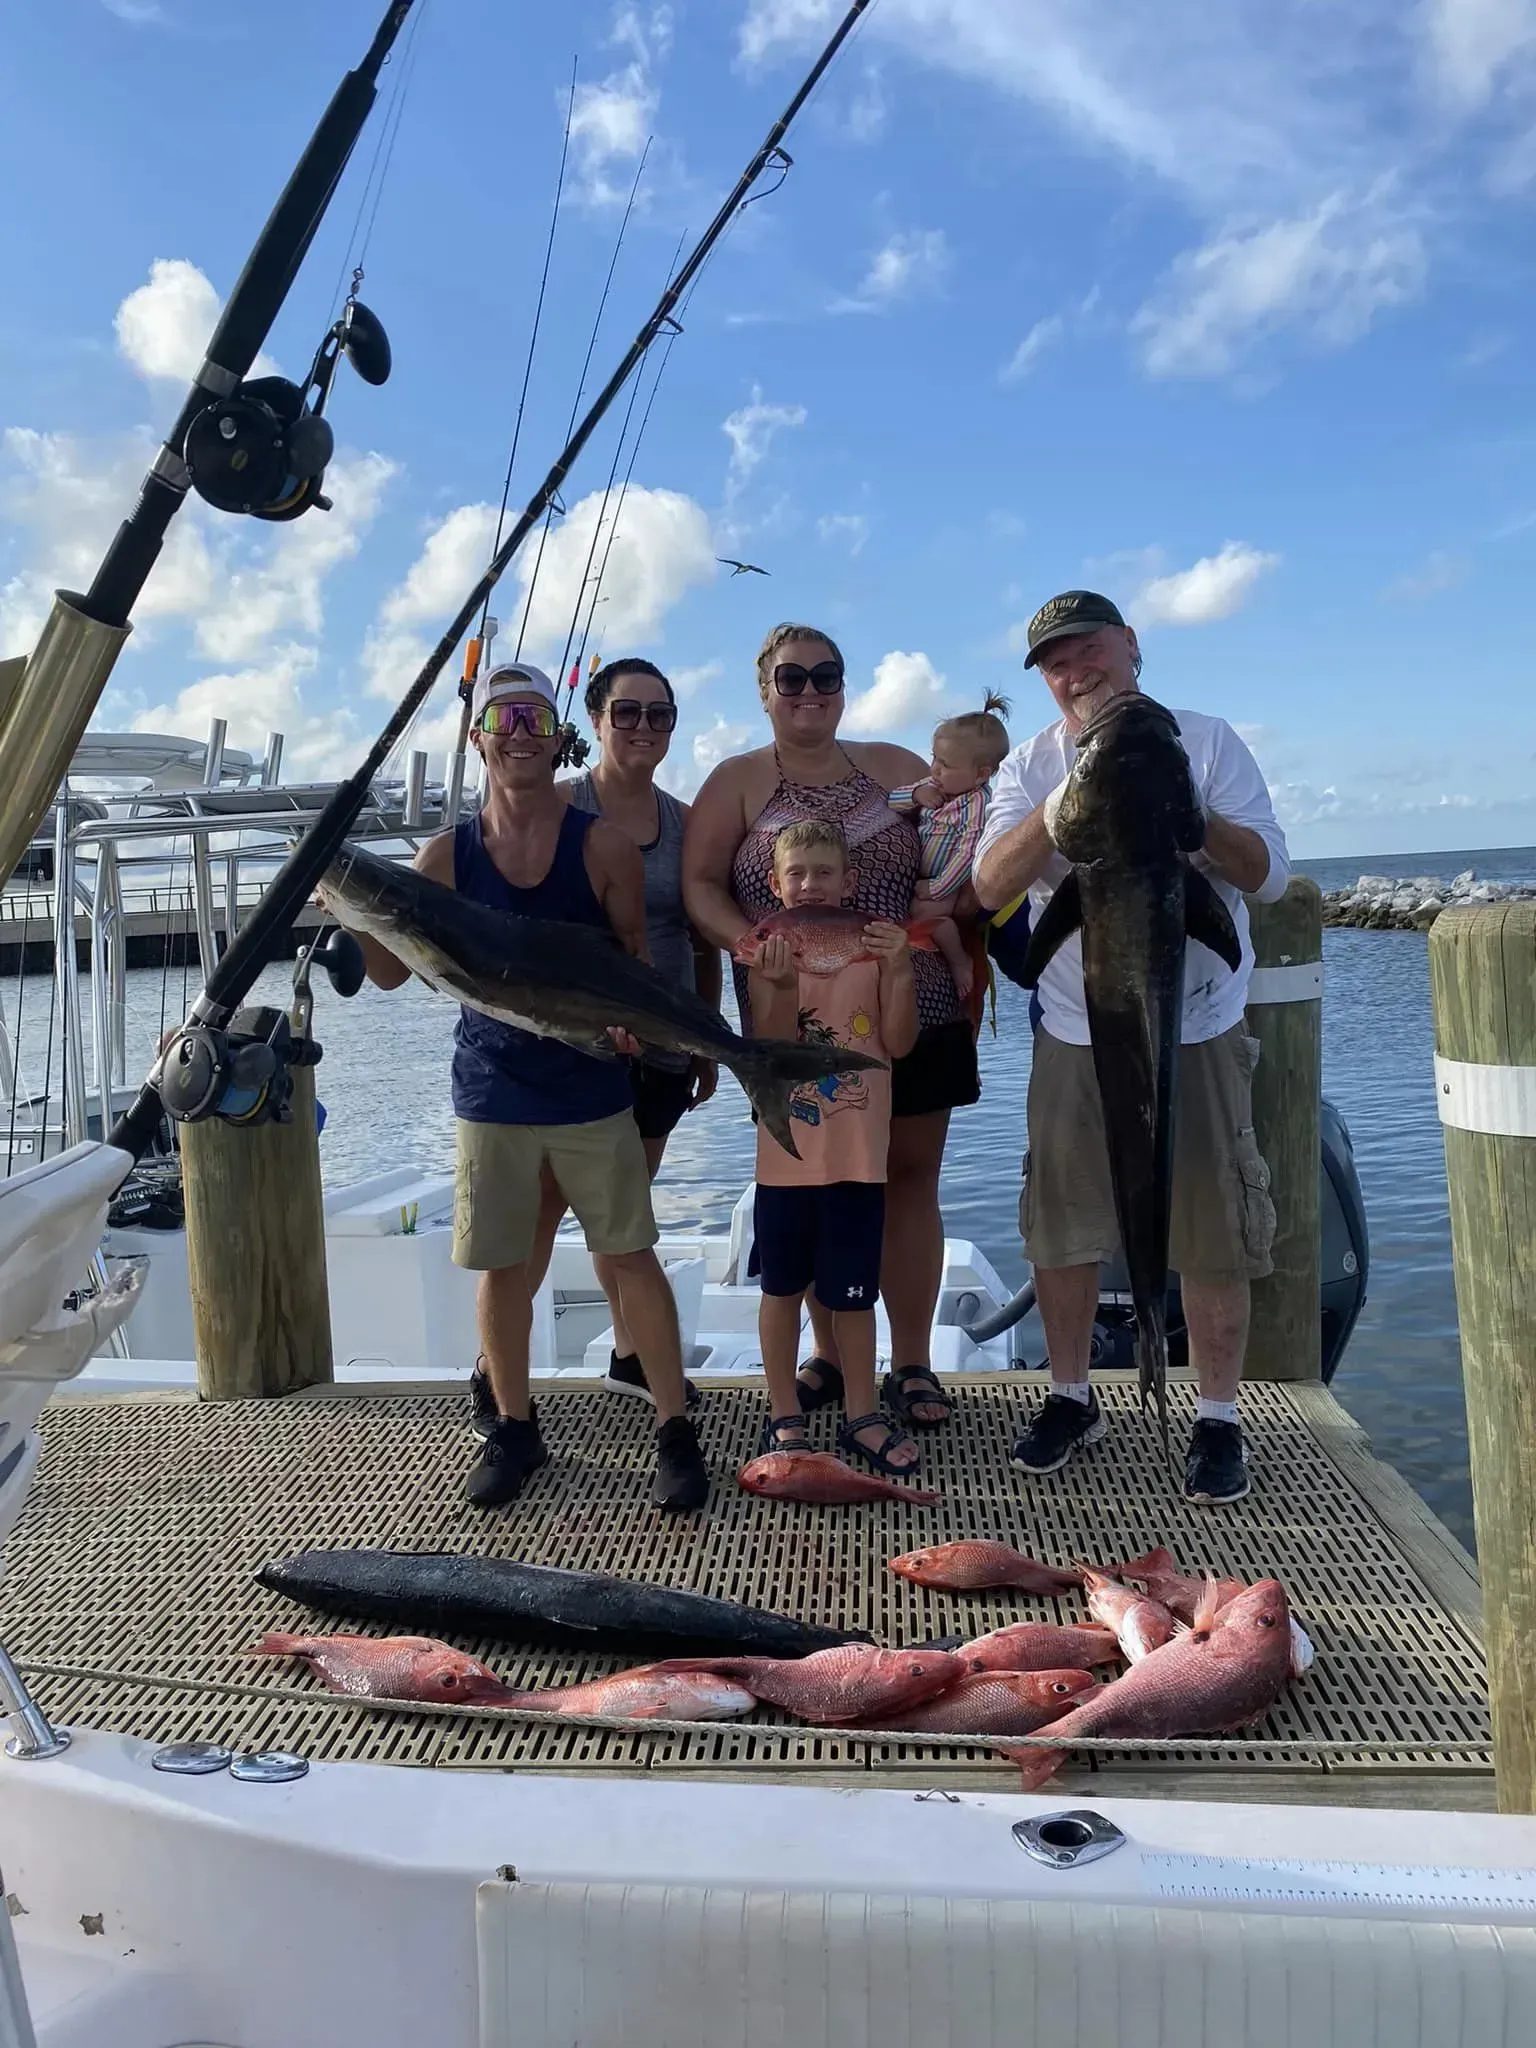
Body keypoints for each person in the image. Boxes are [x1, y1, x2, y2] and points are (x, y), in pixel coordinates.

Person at [332, 661, 709, 1515]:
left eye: (535, 718)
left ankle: (675, 1429)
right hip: (493, 1090)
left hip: (590, 1085)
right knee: (503, 1268)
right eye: (504, 720)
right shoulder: (442, 857)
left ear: (558, 734)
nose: (520, 734)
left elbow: (630, 967)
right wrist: (349, 908)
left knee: (629, 1255)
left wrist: (631, 1036)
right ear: (480, 740)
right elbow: (391, 974)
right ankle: (513, 1428)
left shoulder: (604, 845)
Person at [973, 590, 1288, 1507]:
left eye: (1090, 651)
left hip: (1199, 1022)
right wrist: (1075, 799)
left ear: (1132, 646)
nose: (1077, 673)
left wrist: (1193, 825)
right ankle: (1074, 1396)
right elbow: (992, 881)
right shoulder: (1031, 766)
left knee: (1212, 1225)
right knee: (1062, 1223)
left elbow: (1265, 872)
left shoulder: (1209, 741)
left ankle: (1218, 1416)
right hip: (1078, 1027)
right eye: (1057, 664)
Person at [684, 622, 980, 1437]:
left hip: (907, 1007)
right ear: (764, 689)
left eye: (826, 675)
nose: (809, 690)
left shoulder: (896, 767)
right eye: (791, 678)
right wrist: (747, 948)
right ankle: (831, 1355)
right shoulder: (736, 781)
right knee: (818, 1184)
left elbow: (960, 845)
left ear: (844, 685)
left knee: (910, 1180)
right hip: (791, 1019)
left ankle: (911, 1361)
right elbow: (701, 883)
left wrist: (956, 930)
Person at [556, 656, 720, 1408]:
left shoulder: (687, 823)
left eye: (659, 713)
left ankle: (629, 1352)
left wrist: (711, 1040)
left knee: (627, 1205)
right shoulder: (556, 810)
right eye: (628, 712)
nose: (644, 727)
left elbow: (700, 935)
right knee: (577, 1203)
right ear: (596, 721)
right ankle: (626, 1353)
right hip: (577, 1045)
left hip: (667, 1043)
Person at [745, 820, 920, 1471]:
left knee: (854, 1295)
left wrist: (900, 966)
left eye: (824, 872)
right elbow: (769, 1047)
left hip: (858, 1159)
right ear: (775, 884)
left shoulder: (875, 949)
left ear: (849, 882)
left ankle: (861, 1414)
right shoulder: (768, 951)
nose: (810, 884)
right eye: (796, 873)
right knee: (781, 1291)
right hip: (785, 1161)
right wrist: (782, 986)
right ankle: (785, 1414)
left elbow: (899, 1042)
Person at [887, 692, 1012, 1008]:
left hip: (949, 884)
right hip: (922, 875)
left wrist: (937, 888)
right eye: (935, 758)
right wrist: (917, 794)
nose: (935, 769)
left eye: (945, 764)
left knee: (929, 917)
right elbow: (892, 801)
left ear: (981, 774)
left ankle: (958, 962)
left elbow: (967, 853)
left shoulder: (978, 804)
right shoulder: (936, 786)